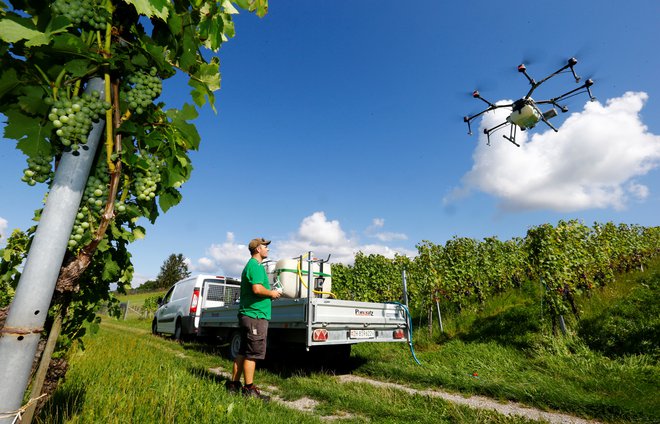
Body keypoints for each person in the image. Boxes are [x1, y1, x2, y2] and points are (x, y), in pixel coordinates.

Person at [226, 237, 281, 399]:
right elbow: (257, 289)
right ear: (258, 249)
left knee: (243, 351)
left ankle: (234, 385)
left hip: (248, 315)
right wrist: (272, 293)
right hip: (255, 316)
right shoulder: (255, 266)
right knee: (253, 353)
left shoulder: (252, 266)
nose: (268, 249)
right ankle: (249, 390)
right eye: (265, 247)